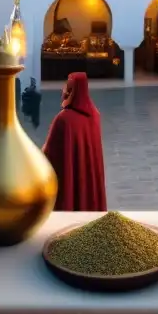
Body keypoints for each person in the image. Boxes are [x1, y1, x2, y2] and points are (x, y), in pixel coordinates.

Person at [42, 72, 107, 211]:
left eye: (67, 88)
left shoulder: (64, 119)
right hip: (88, 178)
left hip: (69, 179)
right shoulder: (94, 115)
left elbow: (48, 154)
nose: (64, 91)